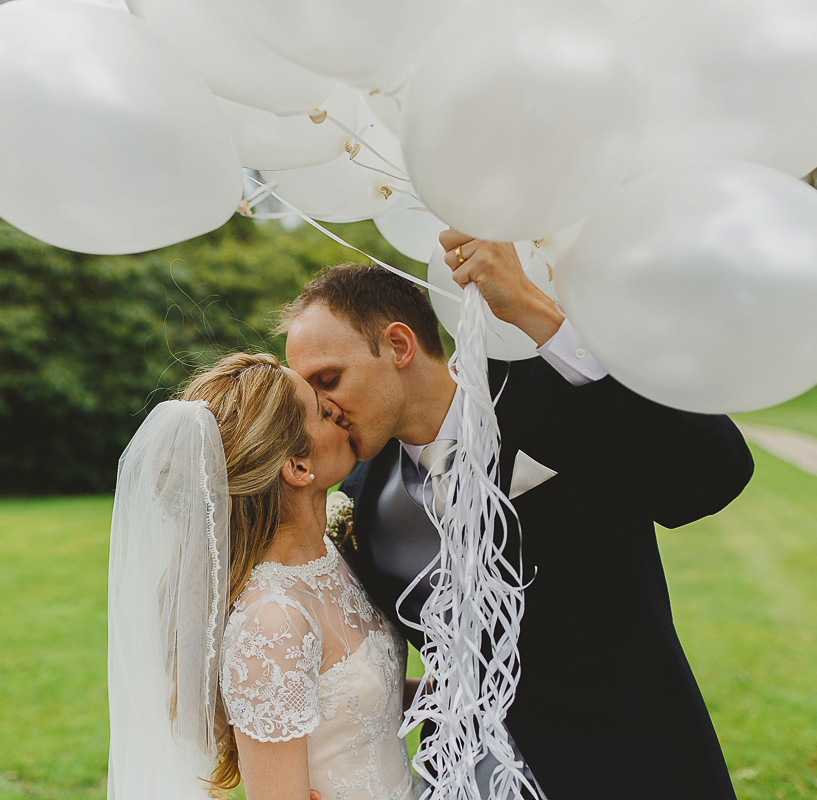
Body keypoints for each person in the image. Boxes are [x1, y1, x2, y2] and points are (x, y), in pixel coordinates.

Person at [278, 232, 756, 799]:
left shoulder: (551, 392)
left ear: (400, 345)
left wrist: (534, 310)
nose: (320, 406)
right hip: (460, 777)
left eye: (328, 379)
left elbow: (714, 472)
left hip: (621, 764)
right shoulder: (360, 490)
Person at [106, 352, 419, 800]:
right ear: (296, 467)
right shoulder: (271, 620)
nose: (341, 415)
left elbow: (352, 700)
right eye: (324, 412)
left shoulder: (331, 556)